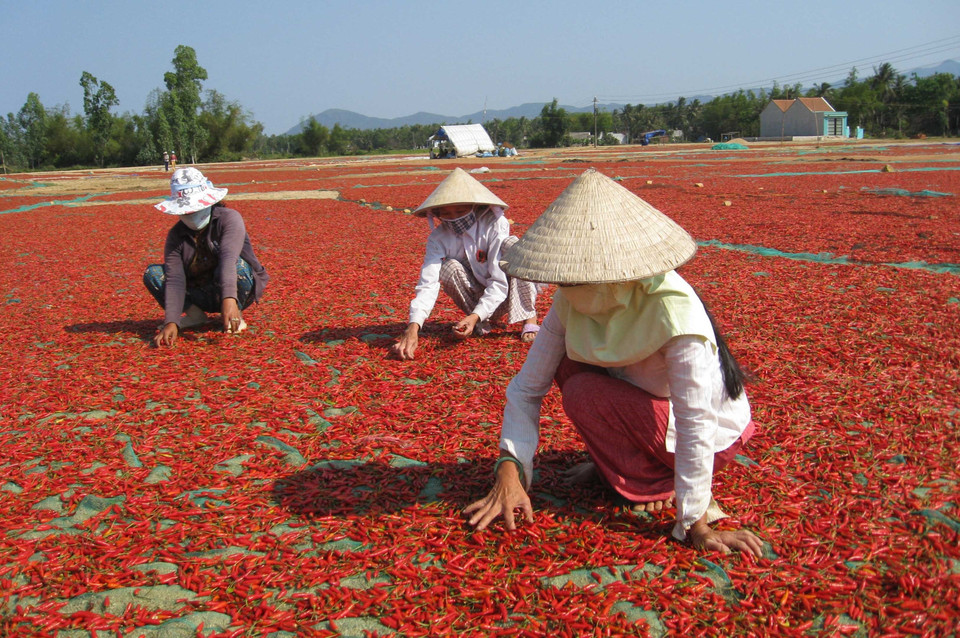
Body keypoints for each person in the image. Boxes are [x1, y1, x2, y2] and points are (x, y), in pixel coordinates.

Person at [464, 169, 763, 557]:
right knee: (568, 366)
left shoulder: (674, 313)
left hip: (708, 436)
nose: (563, 289)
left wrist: (695, 522)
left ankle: (652, 480)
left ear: (609, 273)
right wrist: (510, 467)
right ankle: (620, 468)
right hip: (645, 404)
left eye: (572, 281)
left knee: (585, 390)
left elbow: (695, 420)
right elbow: (528, 386)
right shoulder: (574, 299)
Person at [392, 168, 541, 361]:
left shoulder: (494, 224)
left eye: (461, 211)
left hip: (508, 289)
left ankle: (529, 316)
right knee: (449, 267)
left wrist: (475, 316)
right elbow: (428, 283)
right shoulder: (439, 238)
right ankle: (480, 318)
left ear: (475, 206)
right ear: (437, 214)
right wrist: (413, 326)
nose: (454, 218)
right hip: (477, 294)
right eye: (446, 213)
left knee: (512, 246)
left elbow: (499, 281)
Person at [144, 167, 269, 347]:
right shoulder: (176, 236)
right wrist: (172, 321)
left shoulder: (229, 219)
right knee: (153, 274)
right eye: (186, 210)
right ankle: (195, 315)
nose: (191, 214)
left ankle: (235, 313)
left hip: (238, 286)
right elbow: (175, 280)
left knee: (238, 265)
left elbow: (228, 259)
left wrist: (229, 299)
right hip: (199, 291)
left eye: (195, 209)